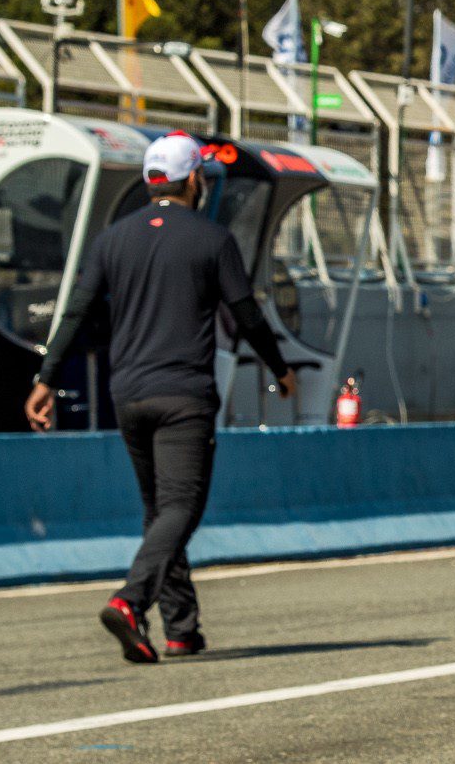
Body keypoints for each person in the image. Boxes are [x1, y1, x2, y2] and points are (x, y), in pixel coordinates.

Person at [25, 133, 295, 664]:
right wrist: (280, 369)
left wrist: (45, 379)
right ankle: (130, 601)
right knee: (183, 506)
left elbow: (75, 312)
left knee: (159, 511)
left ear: (150, 182)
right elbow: (247, 314)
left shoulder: (112, 240)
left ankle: (181, 628)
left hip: (128, 393)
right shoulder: (212, 239)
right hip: (184, 394)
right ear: (194, 179)